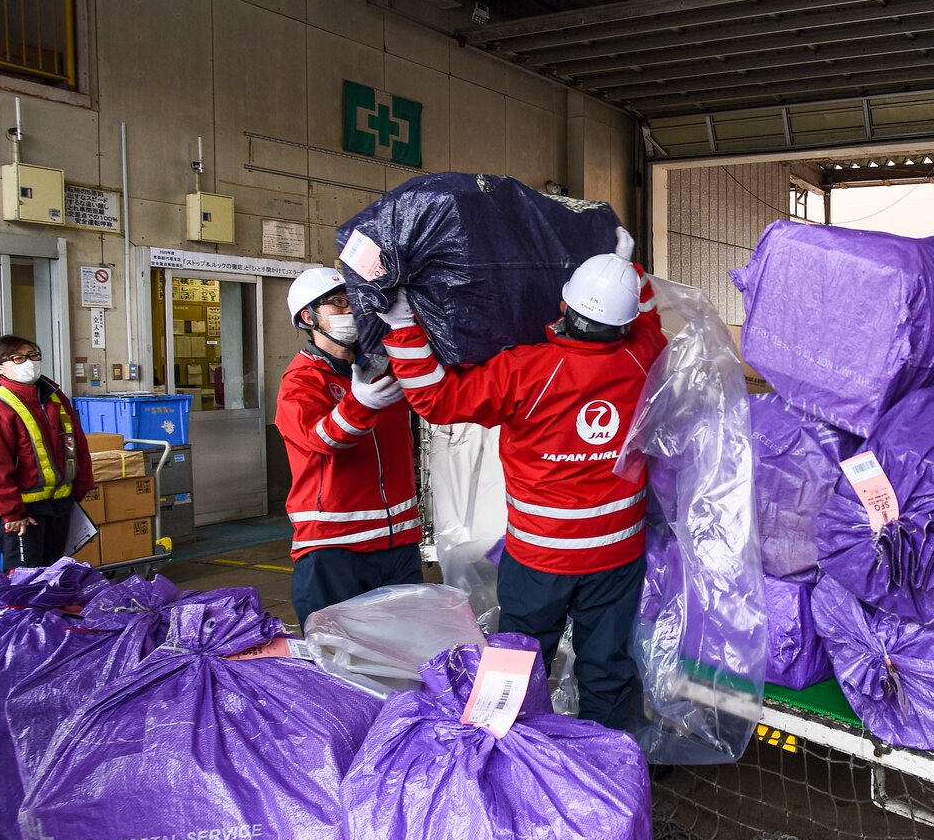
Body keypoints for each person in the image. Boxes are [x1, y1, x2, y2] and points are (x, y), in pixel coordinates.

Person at [379, 227, 663, 732]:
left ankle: (504, 757)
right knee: (607, 671)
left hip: (540, 559)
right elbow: (647, 318)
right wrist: (627, 268)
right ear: (622, 324)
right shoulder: (642, 360)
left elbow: (437, 400)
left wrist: (403, 325)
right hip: (616, 559)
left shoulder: (525, 371)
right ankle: (603, 772)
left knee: (516, 664)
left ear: (564, 304)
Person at [275, 266, 422, 623]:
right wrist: (360, 404)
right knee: (342, 662)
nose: (350, 311)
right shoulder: (300, 382)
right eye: (338, 303)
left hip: (398, 541)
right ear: (309, 317)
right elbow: (322, 438)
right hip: (334, 547)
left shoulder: (381, 370)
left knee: (405, 653)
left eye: (353, 301)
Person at [0, 335, 93, 570]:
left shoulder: (54, 398)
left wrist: (78, 491)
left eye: (33, 356)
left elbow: (78, 447)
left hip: (59, 505)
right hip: (24, 513)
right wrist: (11, 513)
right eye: (18, 358)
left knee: (52, 579)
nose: (29, 362)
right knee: (25, 585)